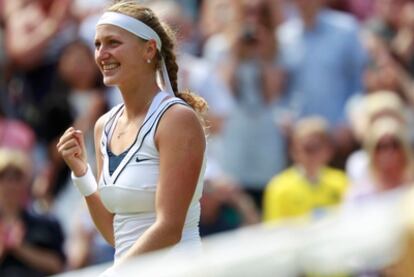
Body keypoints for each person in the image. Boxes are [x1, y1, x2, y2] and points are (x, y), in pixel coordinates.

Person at [56, 1, 207, 274]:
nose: (102, 54)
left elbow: (169, 228)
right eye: (97, 44)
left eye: (113, 42)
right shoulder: (104, 126)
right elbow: (117, 234)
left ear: (149, 49)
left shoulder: (176, 120)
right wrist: (82, 174)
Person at [263, 117, 348, 223]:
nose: (311, 154)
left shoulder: (342, 182)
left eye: (317, 147)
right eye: (306, 147)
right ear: (294, 151)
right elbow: (275, 230)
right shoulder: (278, 187)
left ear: (328, 150)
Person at [0, 148, 65, 277]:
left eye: (17, 178)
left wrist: (20, 248)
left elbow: (57, 265)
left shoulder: (46, 223)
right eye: (4, 177)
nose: (11, 185)